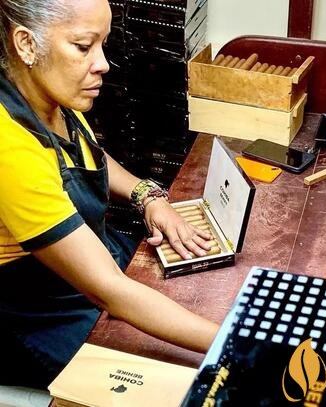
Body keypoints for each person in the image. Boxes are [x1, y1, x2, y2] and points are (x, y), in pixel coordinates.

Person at [0, 0, 218, 388]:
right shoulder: (9, 147)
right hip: (42, 311)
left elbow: (85, 153)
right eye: (84, 46)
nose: (103, 64)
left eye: (103, 44)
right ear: (27, 44)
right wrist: (238, 342)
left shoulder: (47, 94)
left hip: (91, 264)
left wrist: (147, 195)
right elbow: (111, 292)